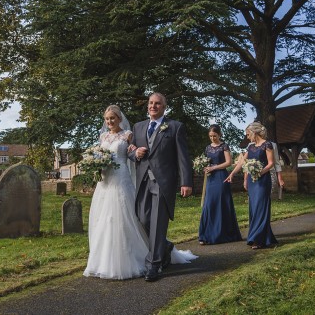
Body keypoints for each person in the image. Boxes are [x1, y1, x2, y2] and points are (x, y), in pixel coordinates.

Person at [83, 105, 196, 280]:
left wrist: (136, 151)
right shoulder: (103, 136)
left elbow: (132, 152)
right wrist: (96, 166)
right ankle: (103, 261)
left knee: (126, 217)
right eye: (107, 119)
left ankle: (147, 256)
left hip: (121, 179)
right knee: (103, 219)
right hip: (105, 182)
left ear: (120, 118)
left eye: (113, 118)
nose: (110, 121)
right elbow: (101, 155)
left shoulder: (128, 134)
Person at [129, 93, 194, 282]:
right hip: (143, 181)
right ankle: (164, 247)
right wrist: (136, 154)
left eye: (157, 103)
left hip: (163, 182)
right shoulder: (138, 127)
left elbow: (183, 157)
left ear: (164, 107)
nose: (153, 106)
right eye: (151, 103)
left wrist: (186, 182)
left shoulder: (175, 127)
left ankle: (153, 264)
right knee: (142, 219)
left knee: (158, 222)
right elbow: (131, 153)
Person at [226, 122, 278, 249]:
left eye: (248, 134)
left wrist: (261, 172)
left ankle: (256, 238)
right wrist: (232, 173)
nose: (247, 137)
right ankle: (264, 237)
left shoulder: (267, 144)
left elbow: (271, 163)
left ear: (254, 132)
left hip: (263, 180)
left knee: (261, 207)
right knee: (254, 208)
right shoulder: (250, 147)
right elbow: (241, 163)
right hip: (252, 181)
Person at [198, 124, 243, 245]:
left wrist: (214, 168)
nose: (212, 138)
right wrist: (205, 167)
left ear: (219, 134)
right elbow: (207, 162)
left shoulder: (224, 146)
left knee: (221, 203)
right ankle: (206, 234)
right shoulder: (208, 148)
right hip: (210, 179)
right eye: (210, 136)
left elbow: (229, 162)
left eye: (215, 136)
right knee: (209, 204)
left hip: (221, 177)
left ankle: (222, 234)